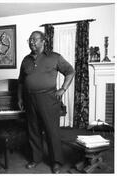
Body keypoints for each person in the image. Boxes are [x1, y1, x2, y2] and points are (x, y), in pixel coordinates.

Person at [17, 31, 75, 173]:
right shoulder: (26, 60)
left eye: (35, 39)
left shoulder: (54, 57)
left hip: (48, 99)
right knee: (33, 130)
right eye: (30, 40)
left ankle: (56, 162)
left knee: (51, 131)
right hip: (29, 99)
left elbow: (70, 71)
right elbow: (20, 82)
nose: (32, 42)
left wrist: (63, 89)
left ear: (43, 41)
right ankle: (36, 159)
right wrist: (19, 98)